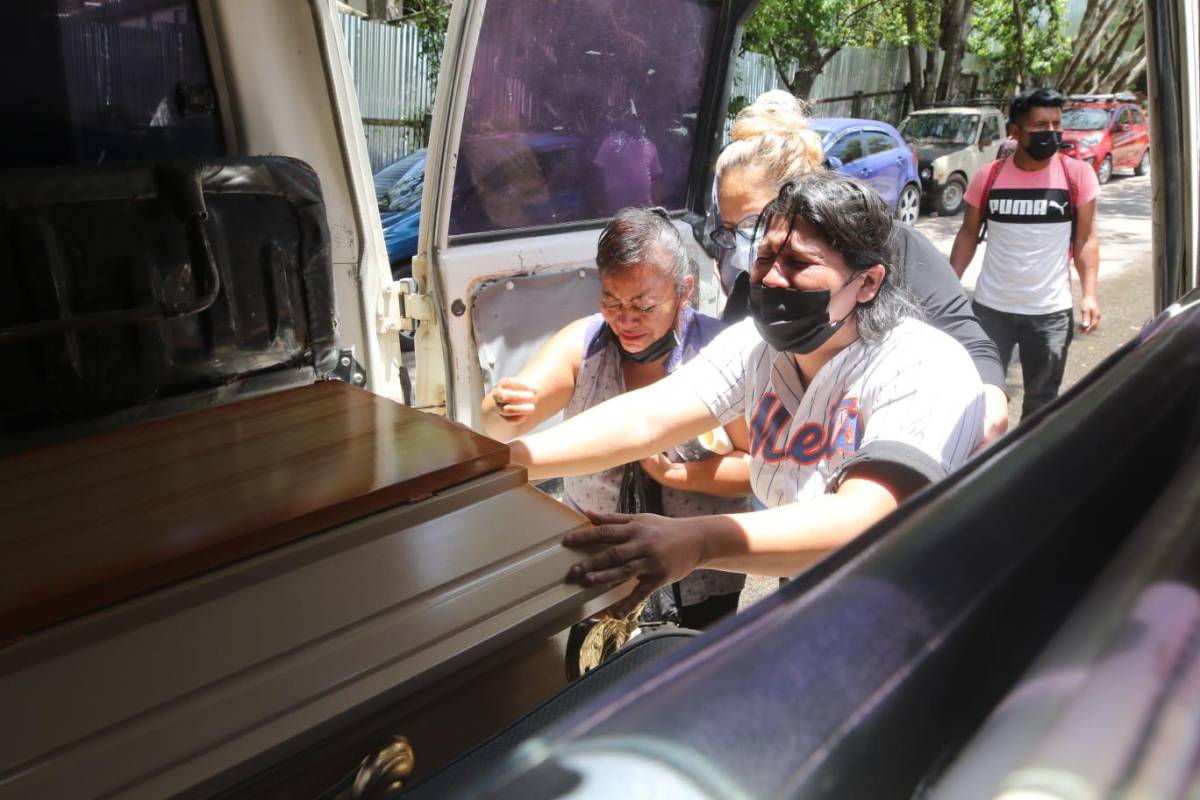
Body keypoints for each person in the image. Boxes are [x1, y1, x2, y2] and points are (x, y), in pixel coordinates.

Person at [510, 171, 986, 617]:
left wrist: (698, 541)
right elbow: (644, 418)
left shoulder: (923, 363)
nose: (772, 278)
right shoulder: (757, 348)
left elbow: (867, 519)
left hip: (910, 607)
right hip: (810, 593)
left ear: (867, 282)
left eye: (799, 262)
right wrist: (502, 463)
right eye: (765, 258)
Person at [482, 207, 752, 629]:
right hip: (595, 567)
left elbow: (760, 467)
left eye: (644, 306)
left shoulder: (721, 354)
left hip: (699, 576)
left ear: (684, 291)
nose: (625, 320)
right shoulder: (584, 344)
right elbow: (499, 427)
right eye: (612, 301)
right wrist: (501, 408)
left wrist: (677, 477)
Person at [711, 90, 1011, 448]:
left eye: (752, 222)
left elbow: (971, 349)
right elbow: (721, 375)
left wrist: (985, 421)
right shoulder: (759, 277)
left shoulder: (892, 247)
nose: (758, 250)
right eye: (732, 230)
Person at [950, 87, 1101, 420]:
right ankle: (984, 468)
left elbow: (1086, 239)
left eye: (1056, 125)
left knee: (1041, 405)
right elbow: (967, 234)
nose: (1051, 133)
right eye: (1040, 126)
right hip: (991, 311)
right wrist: (949, 286)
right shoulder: (989, 177)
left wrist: (1089, 294)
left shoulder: (1077, 175)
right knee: (980, 398)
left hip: (1050, 315)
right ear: (1015, 132)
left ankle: (1030, 470)